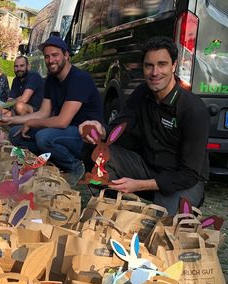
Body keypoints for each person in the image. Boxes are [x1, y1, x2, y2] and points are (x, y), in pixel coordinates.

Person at [79, 36, 209, 215]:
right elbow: (119, 127)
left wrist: (138, 185)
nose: (155, 72)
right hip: (148, 167)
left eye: (162, 64)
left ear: (174, 66)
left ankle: (173, 209)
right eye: (149, 65)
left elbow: (189, 174)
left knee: (160, 223)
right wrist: (99, 130)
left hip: (182, 180)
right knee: (95, 149)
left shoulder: (193, 109)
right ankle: (111, 209)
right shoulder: (142, 93)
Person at [3, 36, 103, 185]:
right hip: (63, 133)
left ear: (67, 55)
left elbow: (62, 121)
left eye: (55, 55)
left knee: (44, 137)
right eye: (47, 56)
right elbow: (43, 113)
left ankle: (76, 166)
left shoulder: (79, 78)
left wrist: (31, 122)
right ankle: (54, 162)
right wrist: (11, 120)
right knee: (15, 134)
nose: (50, 60)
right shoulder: (51, 79)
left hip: (84, 136)